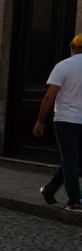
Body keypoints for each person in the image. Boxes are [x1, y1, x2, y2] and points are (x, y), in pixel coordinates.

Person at [35, 35, 82, 212]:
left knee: (70, 161)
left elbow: (49, 95)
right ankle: (50, 190)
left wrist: (40, 121)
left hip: (65, 120)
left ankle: (74, 201)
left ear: (73, 47)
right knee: (73, 160)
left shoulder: (63, 66)